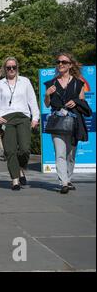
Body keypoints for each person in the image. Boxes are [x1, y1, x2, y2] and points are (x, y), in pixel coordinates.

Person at [44, 53, 91, 194]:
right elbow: (47, 105)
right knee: (60, 153)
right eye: (58, 62)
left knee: (71, 155)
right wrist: (47, 94)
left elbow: (83, 103)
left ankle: (68, 178)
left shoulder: (78, 83)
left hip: (74, 123)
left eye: (64, 62)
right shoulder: (50, 83)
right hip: (57, 121)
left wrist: (75, 102)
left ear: (70, 65)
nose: (61, 64)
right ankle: (63, 182)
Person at [0, 57, 40, 190]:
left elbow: (32, 100)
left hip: (23, 117)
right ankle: (15, 179)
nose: (11, 70)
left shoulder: (25, 81)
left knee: (25, 149)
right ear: (5, 69)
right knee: (10, 150)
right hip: (6, 119)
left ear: (17, 68)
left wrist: (35, 118)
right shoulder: (0, 84)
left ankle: (20, 168)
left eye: (13, 67)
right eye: (8, 67)